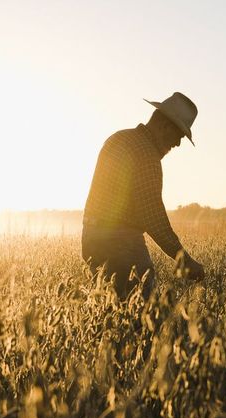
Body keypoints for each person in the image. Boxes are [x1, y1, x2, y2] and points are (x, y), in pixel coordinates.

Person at [82, 92, 205, 300]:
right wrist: (184, 260)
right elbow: (154, 217)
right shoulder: (147, 155)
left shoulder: (118, 138)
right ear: (165, 127)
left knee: (108, 313)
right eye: (179, 136)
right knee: (144, 315)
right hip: (121, 243)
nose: (177, 144)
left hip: (90, 237)